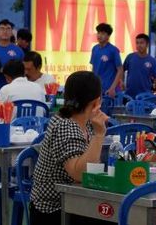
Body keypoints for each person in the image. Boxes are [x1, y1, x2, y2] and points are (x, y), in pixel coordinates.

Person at [30, 71, 109, 225]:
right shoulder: (65, 125)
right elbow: (80, 174)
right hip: (53, 210)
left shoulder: (86, 123)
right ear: (96, 101)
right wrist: (99, 135)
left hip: (74, 203)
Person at [123, 33, 156, 98]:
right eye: (137, 43)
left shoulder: (153, 61)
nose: (139, 45)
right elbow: (121, 70)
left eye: (141, 43)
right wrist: (121, 82)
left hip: (146, 96)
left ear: (147, 44)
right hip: (129, 96)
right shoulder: (130, 57)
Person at [89, 23, 123, 97]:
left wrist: (112, 88)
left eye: (103, 33)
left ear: (108, 36)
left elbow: (120, 70)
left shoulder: (113, 50)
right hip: (98, 89)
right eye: (98, 33)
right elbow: (94, 69)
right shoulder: (94, 49)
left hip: (110, 91)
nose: (99, 35)